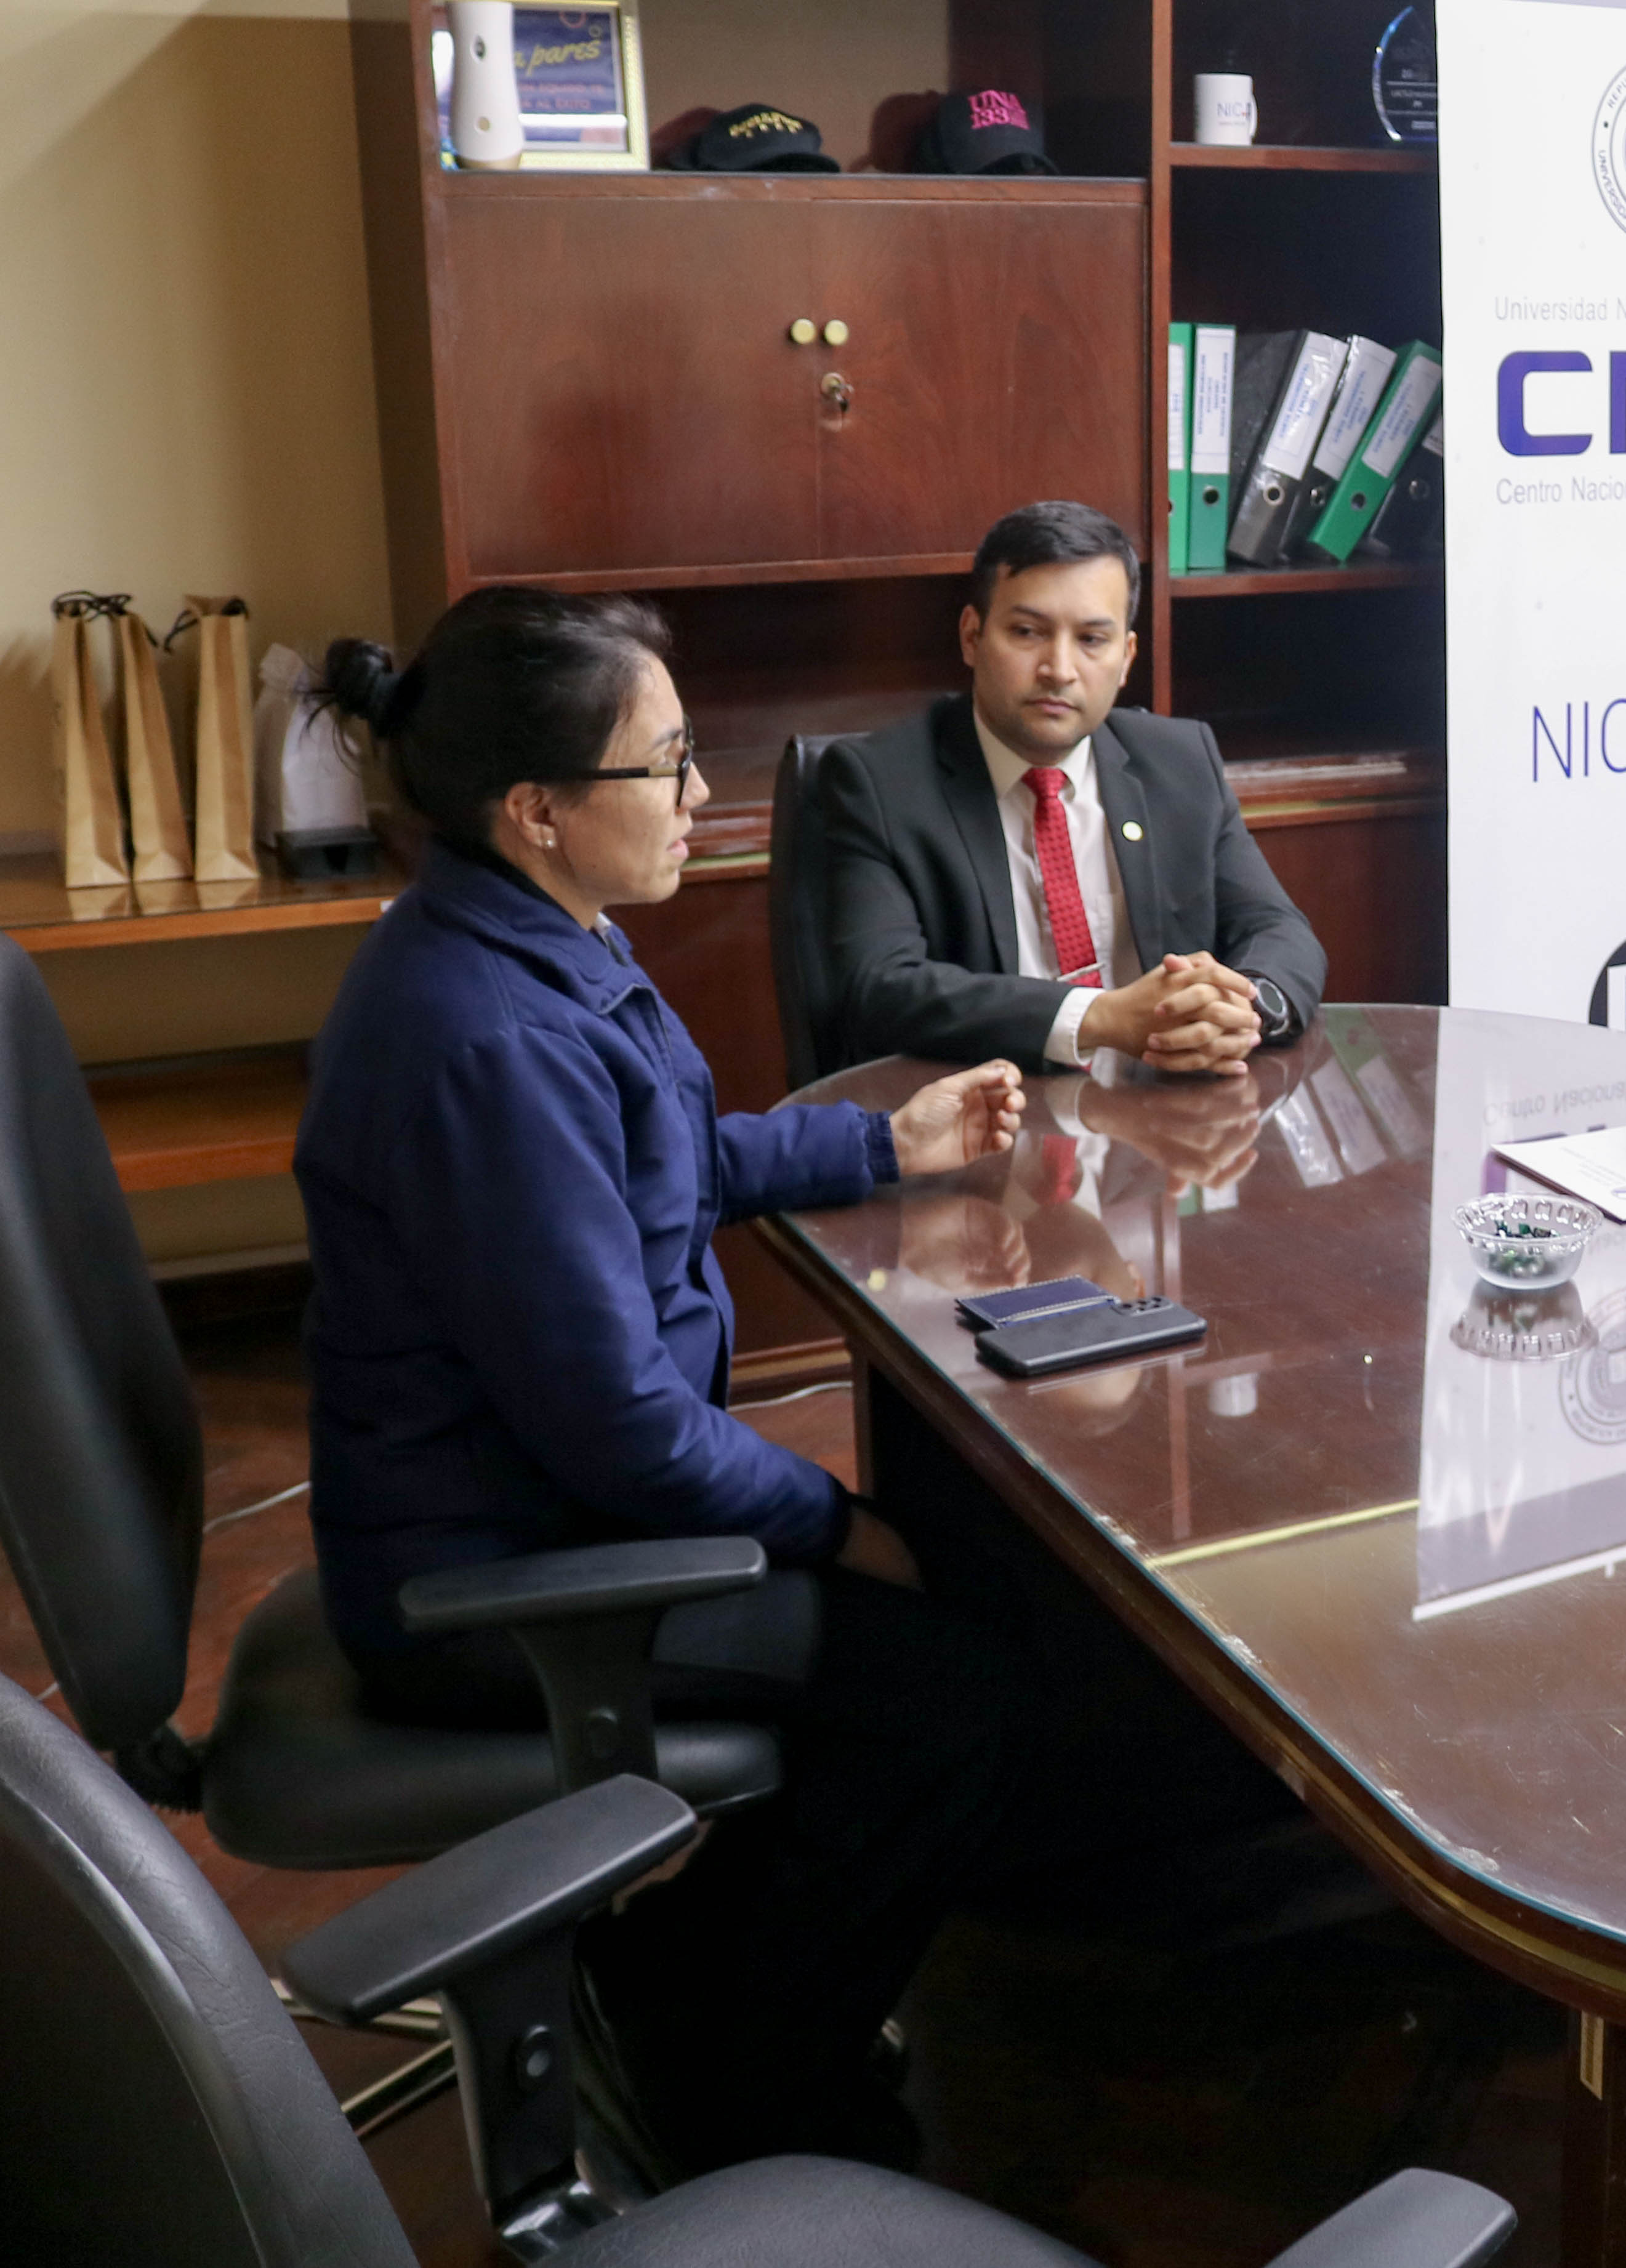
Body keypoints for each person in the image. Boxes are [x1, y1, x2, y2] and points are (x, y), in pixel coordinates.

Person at [297, 589, 1036, 2178]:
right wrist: (832, 1526)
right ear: (540, 809)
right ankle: (752, 2084)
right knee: (945, 1691)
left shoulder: (524, 940)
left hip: (543, 1504)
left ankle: (691, 1970)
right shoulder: (484, 1039)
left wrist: (879, 1139)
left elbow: (657, 1161)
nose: (706, 796)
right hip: (501, 1578)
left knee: (961, 1593)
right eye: (672, 764)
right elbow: (621, 1425)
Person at [809, 499, 1327, 1078]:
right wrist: (1098, 1019)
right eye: (1028, 632)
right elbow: (880, 987)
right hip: (989, 1121)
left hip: (1163, 1114)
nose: (1059, 668)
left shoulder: (1179, 761)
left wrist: (1244, 1008)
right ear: (972, 636)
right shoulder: (879, 783)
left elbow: (1278, 929)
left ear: (1127, 657)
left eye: (1091, 640)